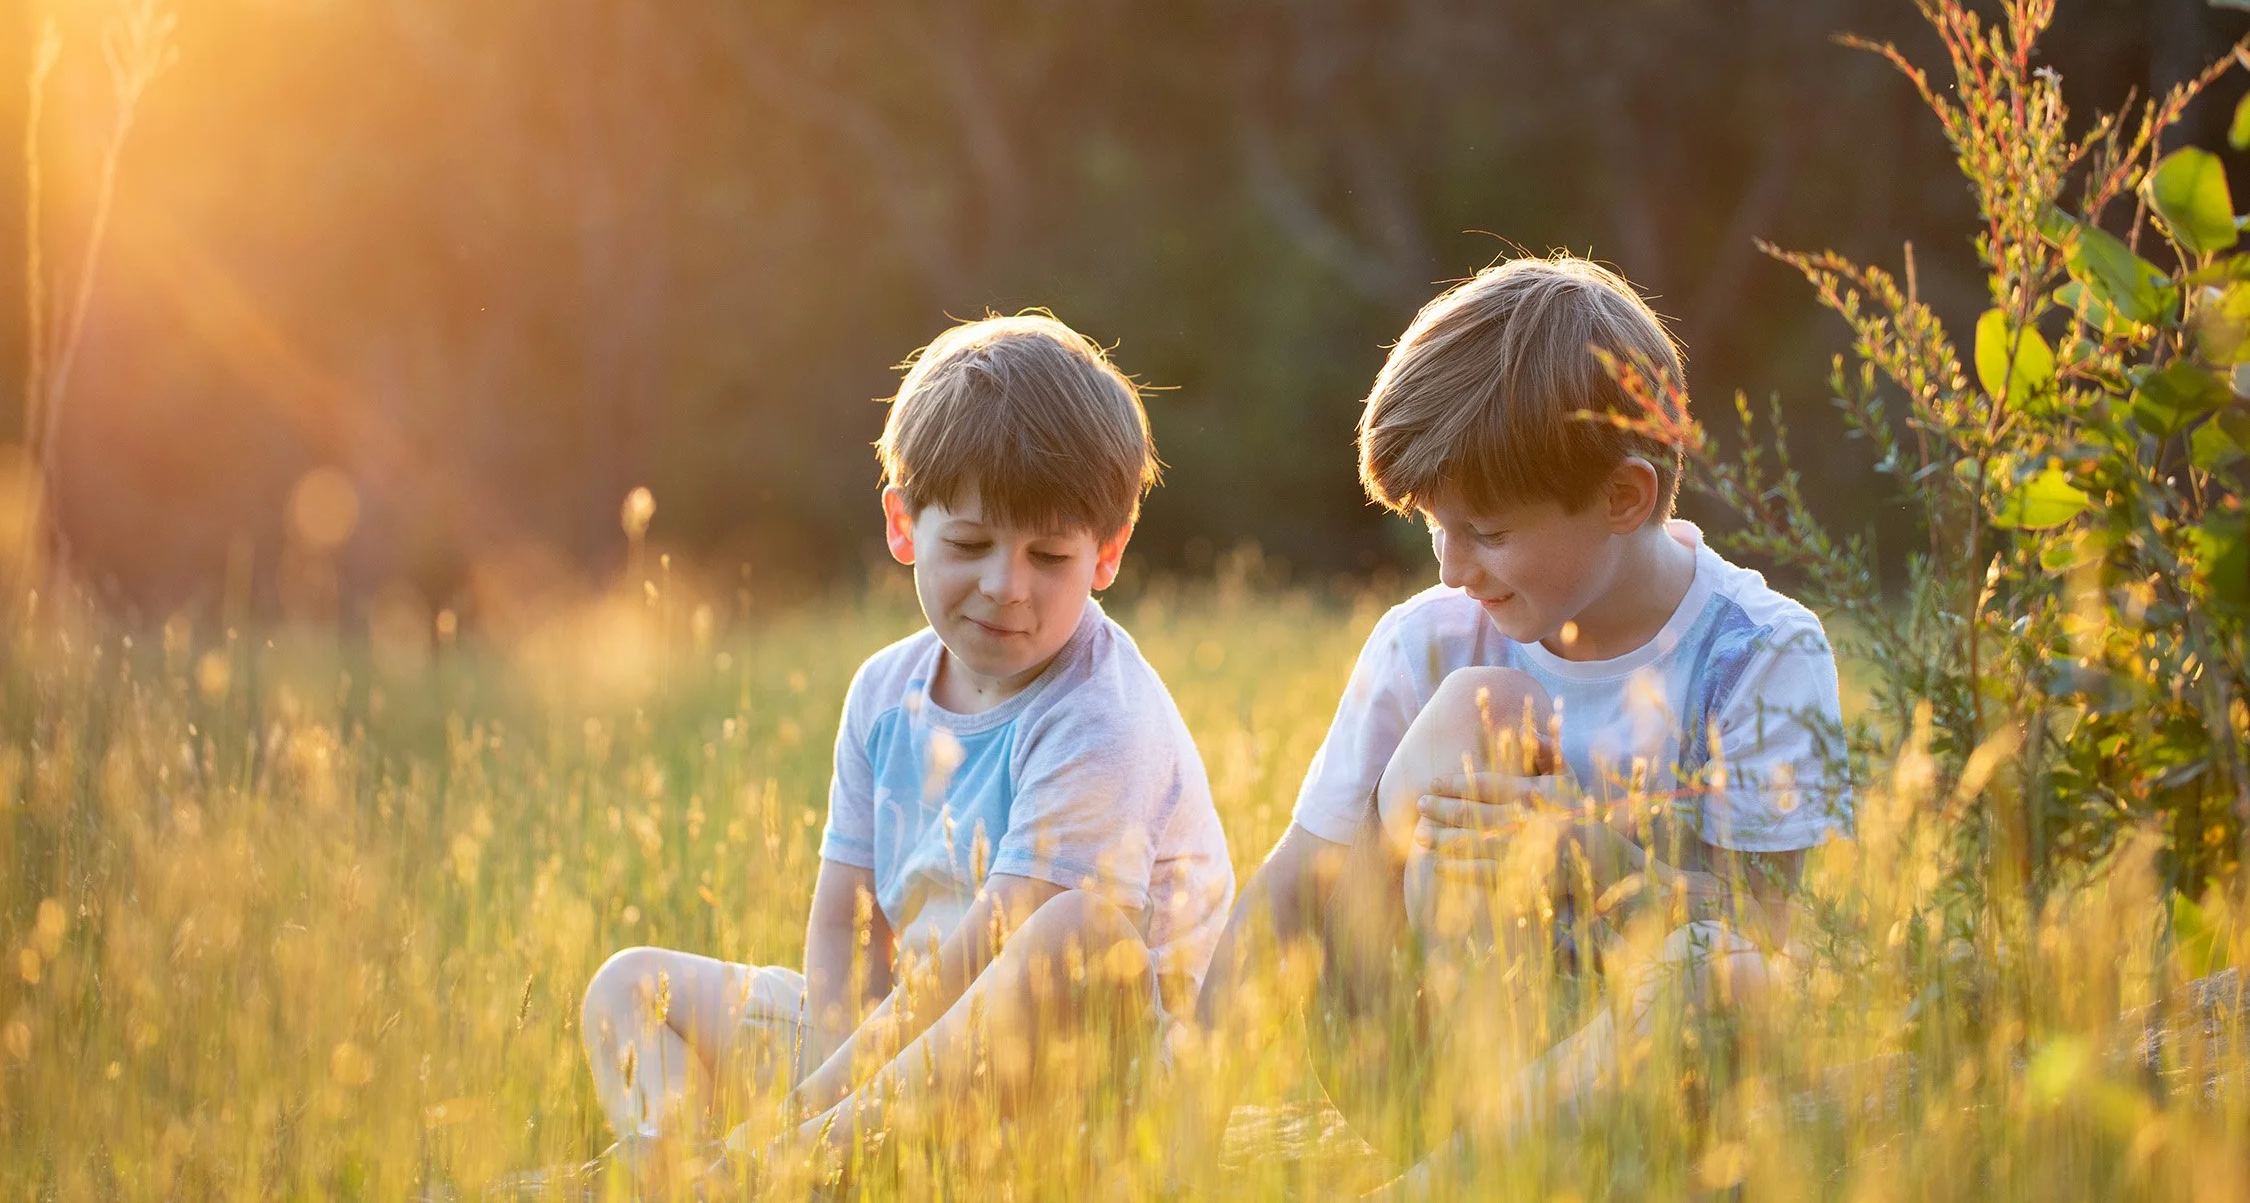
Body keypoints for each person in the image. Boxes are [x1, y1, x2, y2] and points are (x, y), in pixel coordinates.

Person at [1193, 256, 1853, 1177]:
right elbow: (1298, 885)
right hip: (1420, 1058)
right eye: (1435, 526)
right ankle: (1478, 1164)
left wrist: (1582, 851)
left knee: (1720, 968)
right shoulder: (1428, 641)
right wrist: (1175, 1122)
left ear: (1624, 497)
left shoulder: (1758, 656)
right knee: (1479, 711)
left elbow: (1778, 943)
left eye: (1490, 533)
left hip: (1652, 1090)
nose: (1453, 569)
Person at [579, 314, 1233, 1185]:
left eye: (1050, 555)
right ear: (902, 525)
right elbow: (846, 929)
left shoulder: (1101, 716)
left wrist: (807, 1116)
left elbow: (990, 955)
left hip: (1086, 1074)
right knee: (628, 986)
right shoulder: (883, 694)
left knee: (1078, 933)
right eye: (969, 545)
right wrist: (840, 1069)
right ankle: (675, 1167)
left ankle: (782, 1171)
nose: (1007, 586)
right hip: (903, 1052)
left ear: (1106, 554)